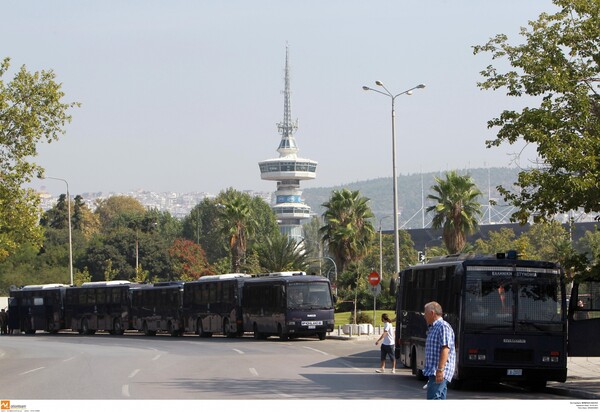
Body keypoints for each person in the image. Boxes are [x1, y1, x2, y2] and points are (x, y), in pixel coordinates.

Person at [423, 301, 456, 400]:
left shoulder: (443, 326)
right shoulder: (433, 327)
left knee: (433, 398)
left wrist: (440, 370)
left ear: (432, 313)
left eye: (425, 313)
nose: (424, 316)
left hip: (439, 370)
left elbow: (445, 349)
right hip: (434, 370)